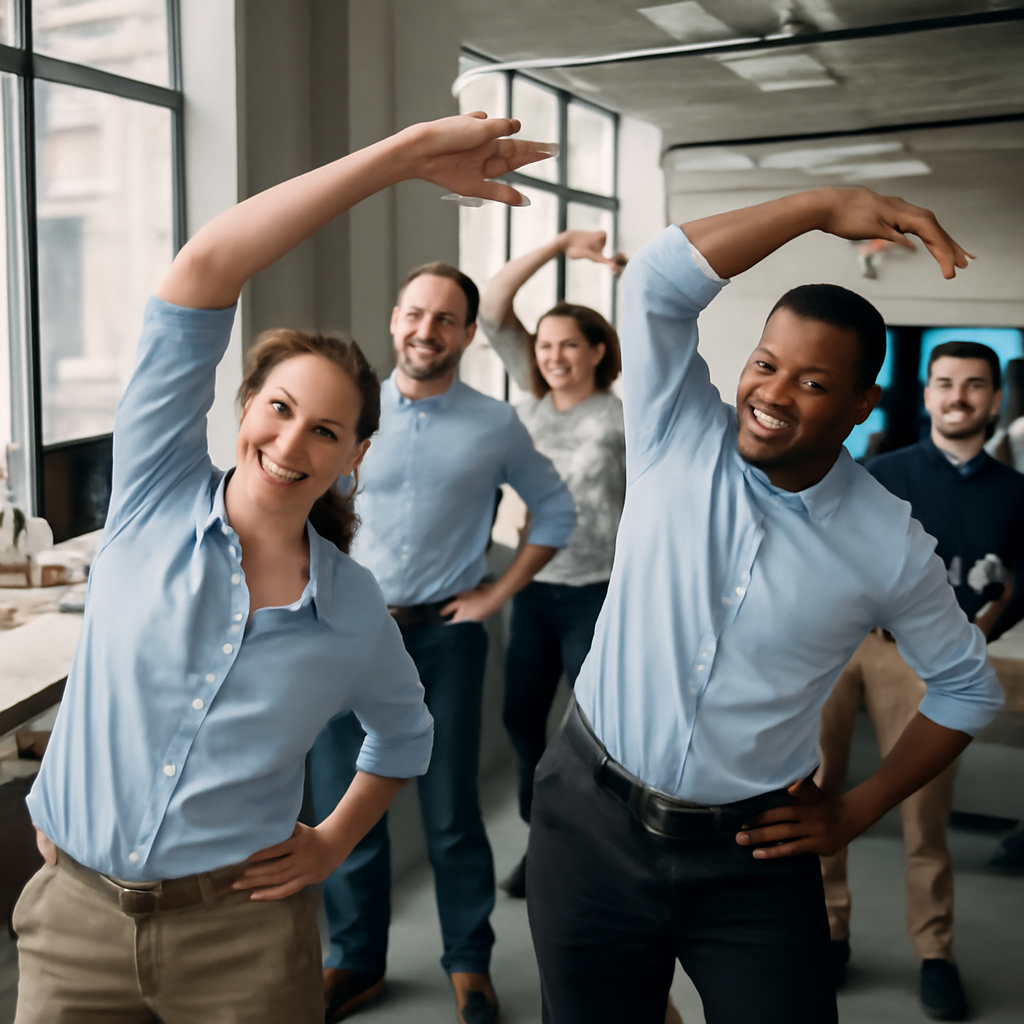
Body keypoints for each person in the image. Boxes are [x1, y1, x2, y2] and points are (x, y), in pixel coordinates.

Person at [13, 112, 550, 1024]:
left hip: (243, 940)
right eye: (279, 408)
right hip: (75, 925)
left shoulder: (349, 605)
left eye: (326, 431)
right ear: (245, 406)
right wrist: (400, 158)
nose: (292, 442)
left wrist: (331, 842)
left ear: (354, 457)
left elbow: (404, 736)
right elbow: (206, 265)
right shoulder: (152, 496)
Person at [524, 186, 1005, 1024]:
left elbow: (968, 688)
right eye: (764, 363)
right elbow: (657, 281)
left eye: (813, 382)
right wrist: (822, 207)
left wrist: (856, 809)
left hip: (751, 856)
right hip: (588, 820)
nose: (773, 394)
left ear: (860, 408)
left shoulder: (888, 542)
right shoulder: (678, 430)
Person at [307, 249, 576, 1020]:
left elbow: (556, 510)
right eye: (417, 314)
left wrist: (498, 591)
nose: (428, 330)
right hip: (343, 639)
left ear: (464, 334)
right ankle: (355, 959)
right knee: (344, 808)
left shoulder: (495, 423)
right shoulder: (348, 413)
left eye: (446, 319)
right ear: (396, 321)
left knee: (451, 814)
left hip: (444, 641)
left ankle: (468, 963)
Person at [818, 340, 1024, 1018]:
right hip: (848, 645)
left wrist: (980, 633)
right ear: (928, 394)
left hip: (930, 660)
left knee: (923, 812)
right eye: (945, 383)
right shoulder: (878, 473)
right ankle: (829, 934)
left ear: (994, 399)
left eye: (974, 384)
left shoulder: (1015, 493)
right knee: (815, 791)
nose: (958, 396)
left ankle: (935, 952)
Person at [477, 228, 626, 900]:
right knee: (521, 717)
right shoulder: (531, 401)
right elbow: (492, 307)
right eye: (545, 345)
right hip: (532, 587)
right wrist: (561, 243)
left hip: (598, 589)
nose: (555, 356)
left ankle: (599, 847)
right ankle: (544, 843)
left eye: (570, 344)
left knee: (595, 728)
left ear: (597, 350)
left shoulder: (621, 418)